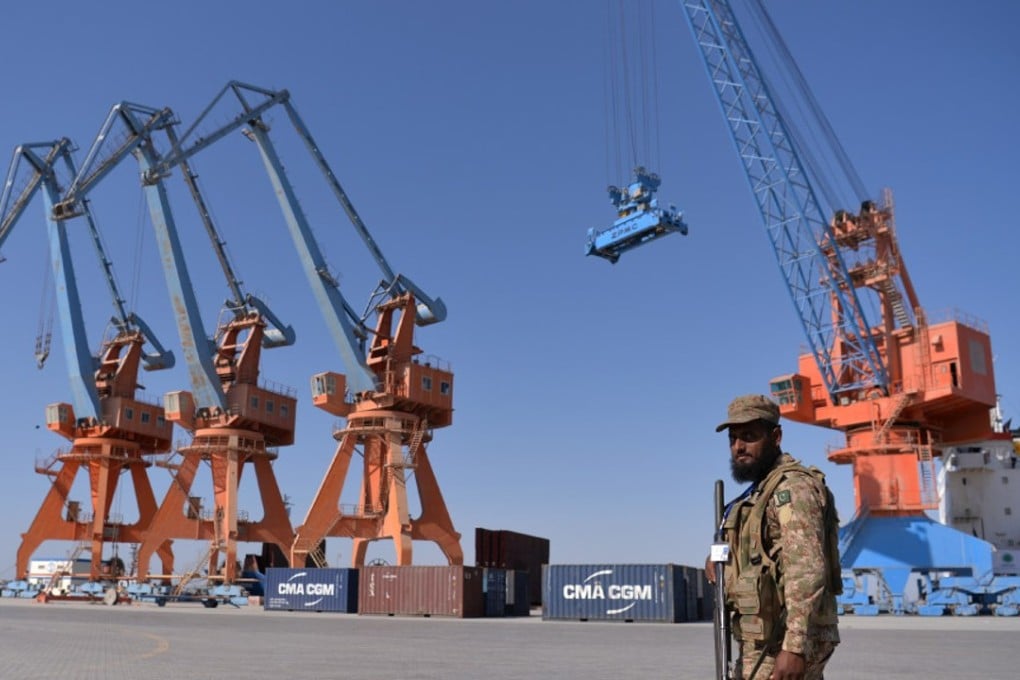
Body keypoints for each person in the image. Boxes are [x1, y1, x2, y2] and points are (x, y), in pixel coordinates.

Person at [707, 394, 840, 680]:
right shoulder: (758, 492)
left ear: (776, 436)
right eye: (733, 439)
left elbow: (807, 569)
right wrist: (721, 561)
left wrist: (794, 648)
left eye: (749, 436)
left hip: (782, 640)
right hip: (764, 638)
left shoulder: (791, 489)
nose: (739, 447)